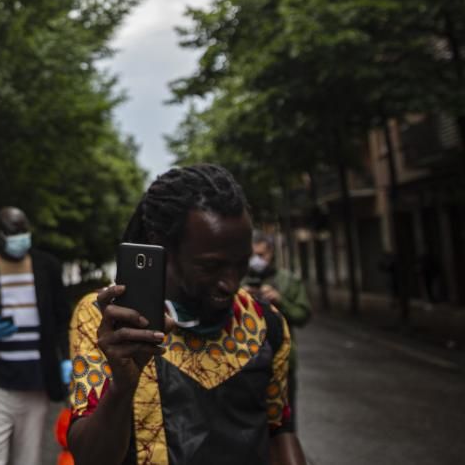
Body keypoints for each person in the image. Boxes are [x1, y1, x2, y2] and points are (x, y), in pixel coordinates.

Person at [67, 164, 306, 465]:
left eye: (241, 264)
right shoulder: (108, 319)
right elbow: (90, 459)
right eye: (210, 266)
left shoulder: (263, 322)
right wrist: (122, 386)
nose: (230, 284)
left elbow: (279, 430)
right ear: (160, 244)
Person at [0, 206, 72, 465]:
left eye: (23, 231)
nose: (20, 237)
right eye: (12, 232)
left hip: (36, 386)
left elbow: (63, 319)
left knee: (28, 461)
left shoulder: (47, 267)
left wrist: (66, 358)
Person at [246, 232, 311, 426]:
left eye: (262, 255)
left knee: (283, 423)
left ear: (271, 253)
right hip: (246, 361)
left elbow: (302, 315)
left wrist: (280, 299)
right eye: (253, 254)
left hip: (282, 362)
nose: (258, 260)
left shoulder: (287, 280)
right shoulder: (237, 279)